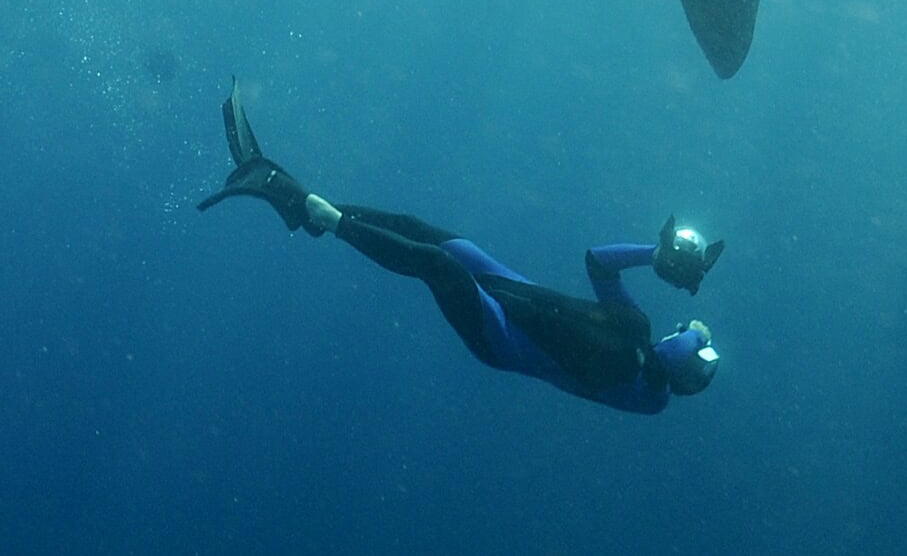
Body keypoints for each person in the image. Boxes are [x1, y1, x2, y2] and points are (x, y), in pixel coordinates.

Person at [196, 79, 724, 414]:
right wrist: (652, 257)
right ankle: (298, 202)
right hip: (507, 284)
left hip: (499, 336)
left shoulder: (645, 393)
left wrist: (694, 336)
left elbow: (663, 363)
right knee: (416, 226)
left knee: (436, 265)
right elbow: (598, 263)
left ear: (687, 374)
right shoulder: (637, 329)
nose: (693, 338)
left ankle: (317, 214)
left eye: (698, 354)